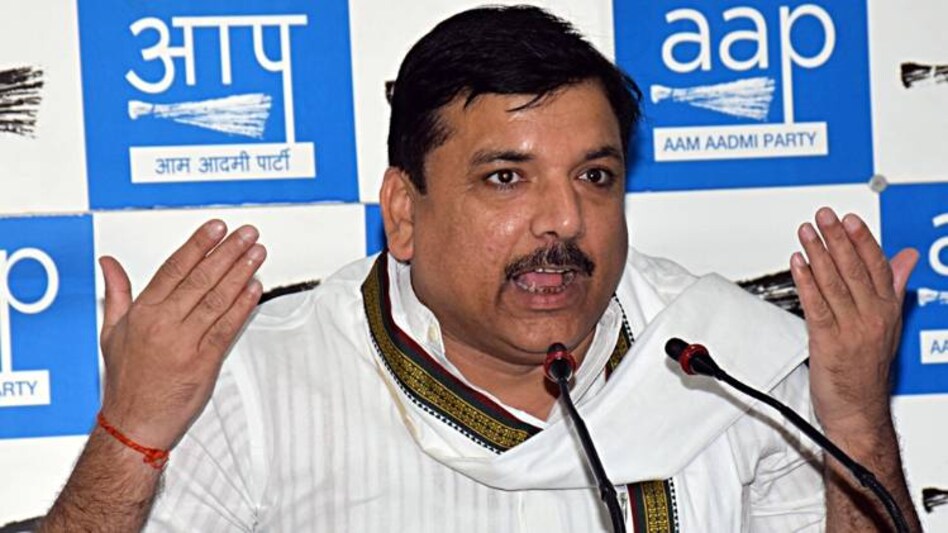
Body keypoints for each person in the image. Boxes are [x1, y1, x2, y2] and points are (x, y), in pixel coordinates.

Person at [40, 6, 921, 532]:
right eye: (507, 177)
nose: (564, 220)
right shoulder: (255, 380)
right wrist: (130, 434)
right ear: (403, 211)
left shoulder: (730, 362)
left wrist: (853, 417)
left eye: (595, 176)